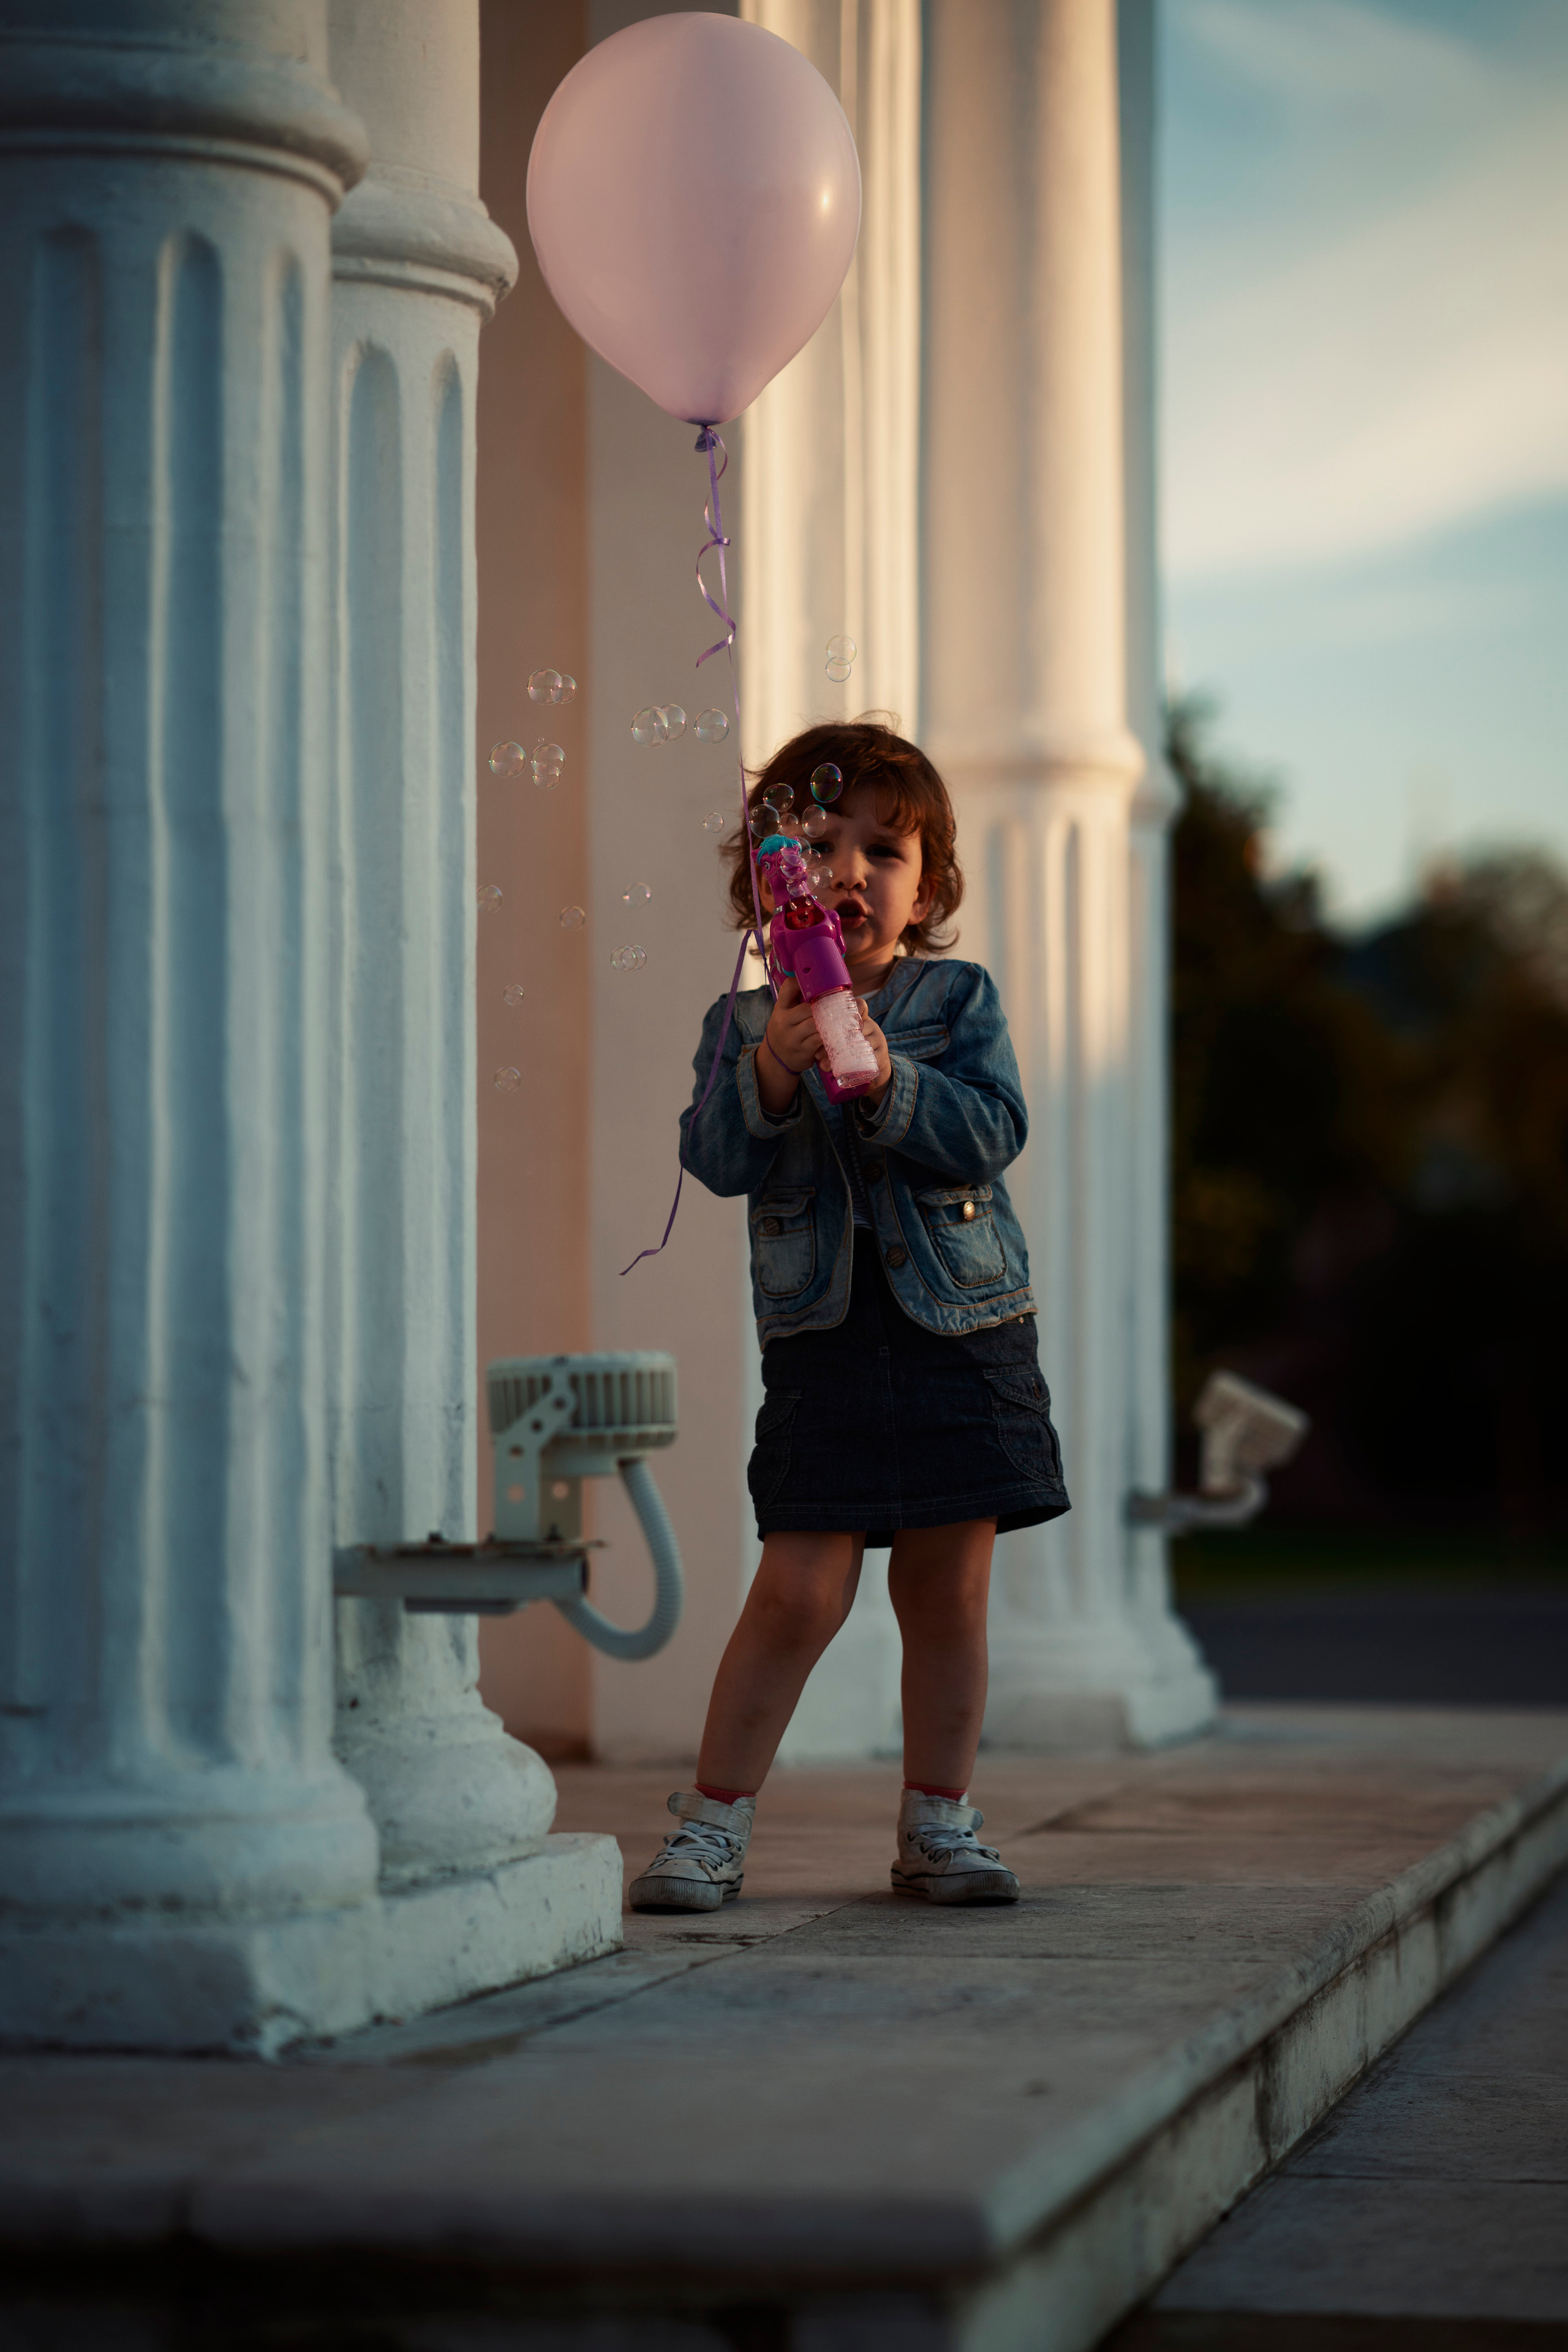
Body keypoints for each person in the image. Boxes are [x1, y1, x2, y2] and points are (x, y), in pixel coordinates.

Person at [628, 720, 1068, 1913]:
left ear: (927, 887)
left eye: (884, 850)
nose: (850, 872)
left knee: (944, 1591)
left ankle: (938, 1823)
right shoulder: (741, 1025)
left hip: (962, 1331)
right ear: (769, 879)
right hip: (825, 1344)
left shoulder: (952, 998)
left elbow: (991, 1130)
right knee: (798, 1589)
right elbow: (714, 1159)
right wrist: (774, 1072)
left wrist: (893, 1080)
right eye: (820, 842)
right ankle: (711, 1826)